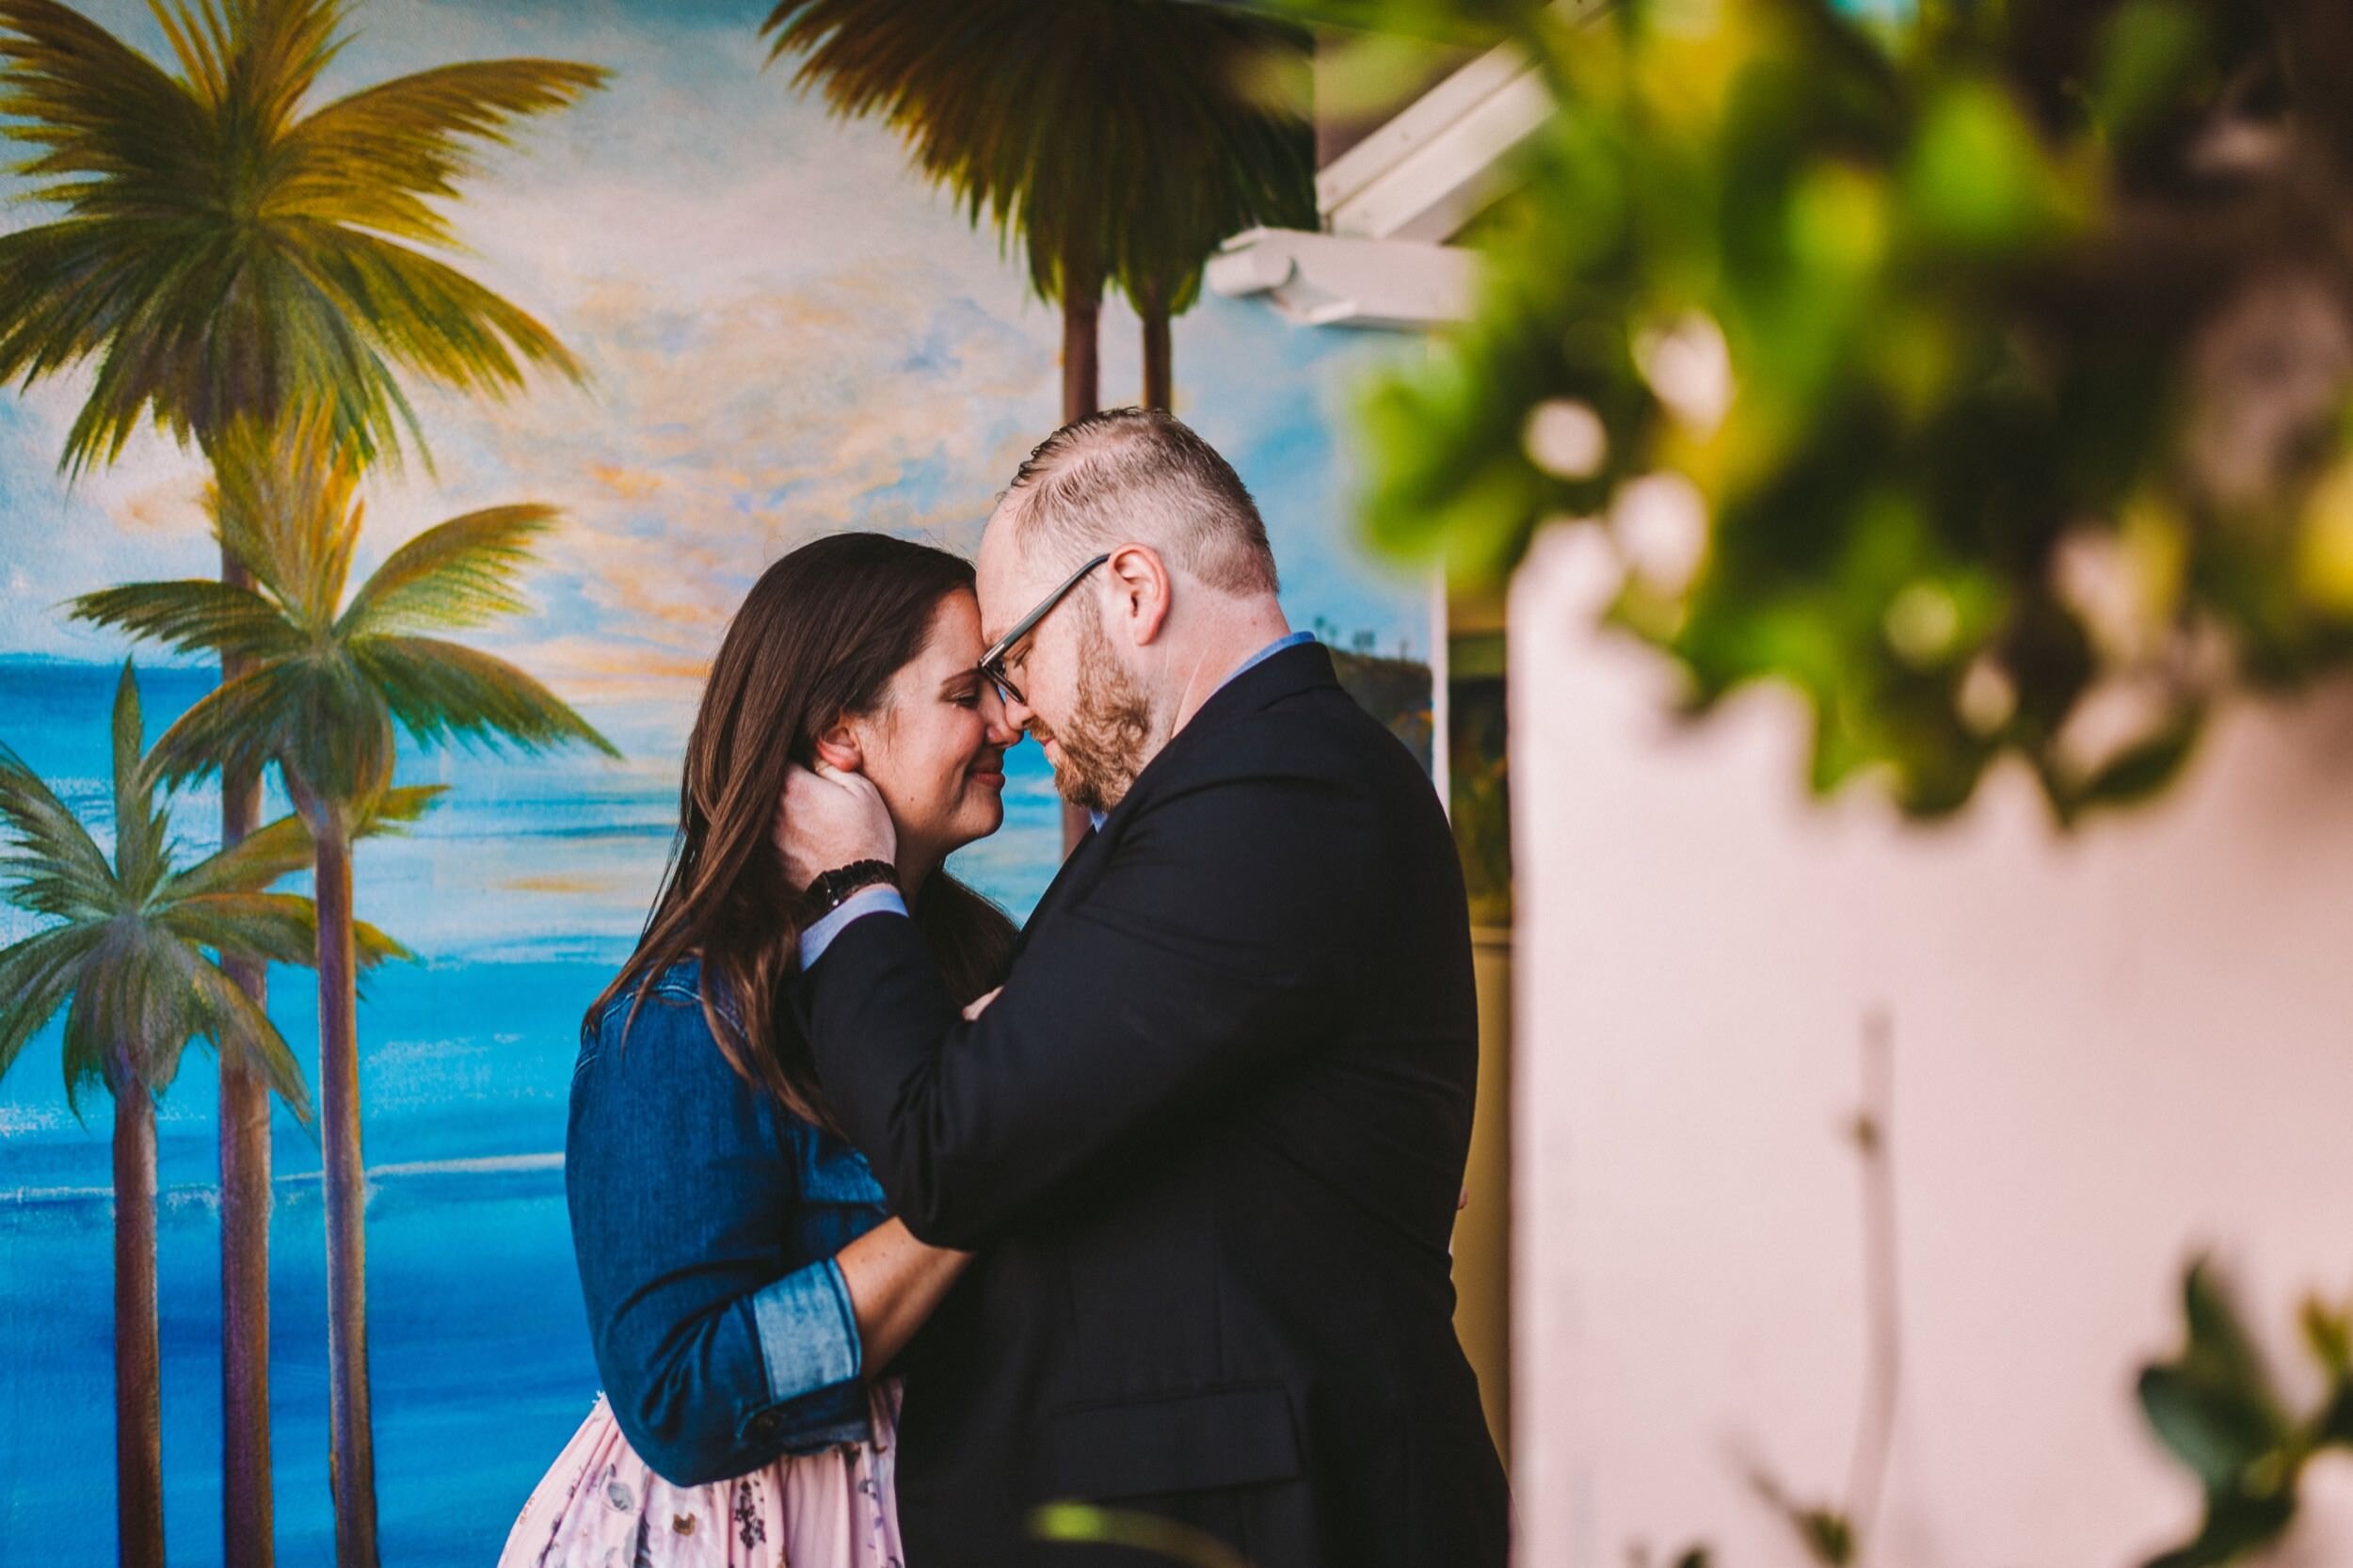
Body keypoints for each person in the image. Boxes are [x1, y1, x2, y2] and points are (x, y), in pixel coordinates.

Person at [777, 408, 1511, 1567]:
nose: (1012, 718)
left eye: (1016, 658)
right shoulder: (1250, 789)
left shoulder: (1277, 793)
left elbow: (949, 1148)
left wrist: (847, 885)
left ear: (1130, 590)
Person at [502, 534, 1021, 1568]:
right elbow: (679, 1393)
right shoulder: (687, 1018)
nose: (1011, 720)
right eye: (970, 692)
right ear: (839, 734)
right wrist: (992, 1157)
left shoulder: (985, 957)